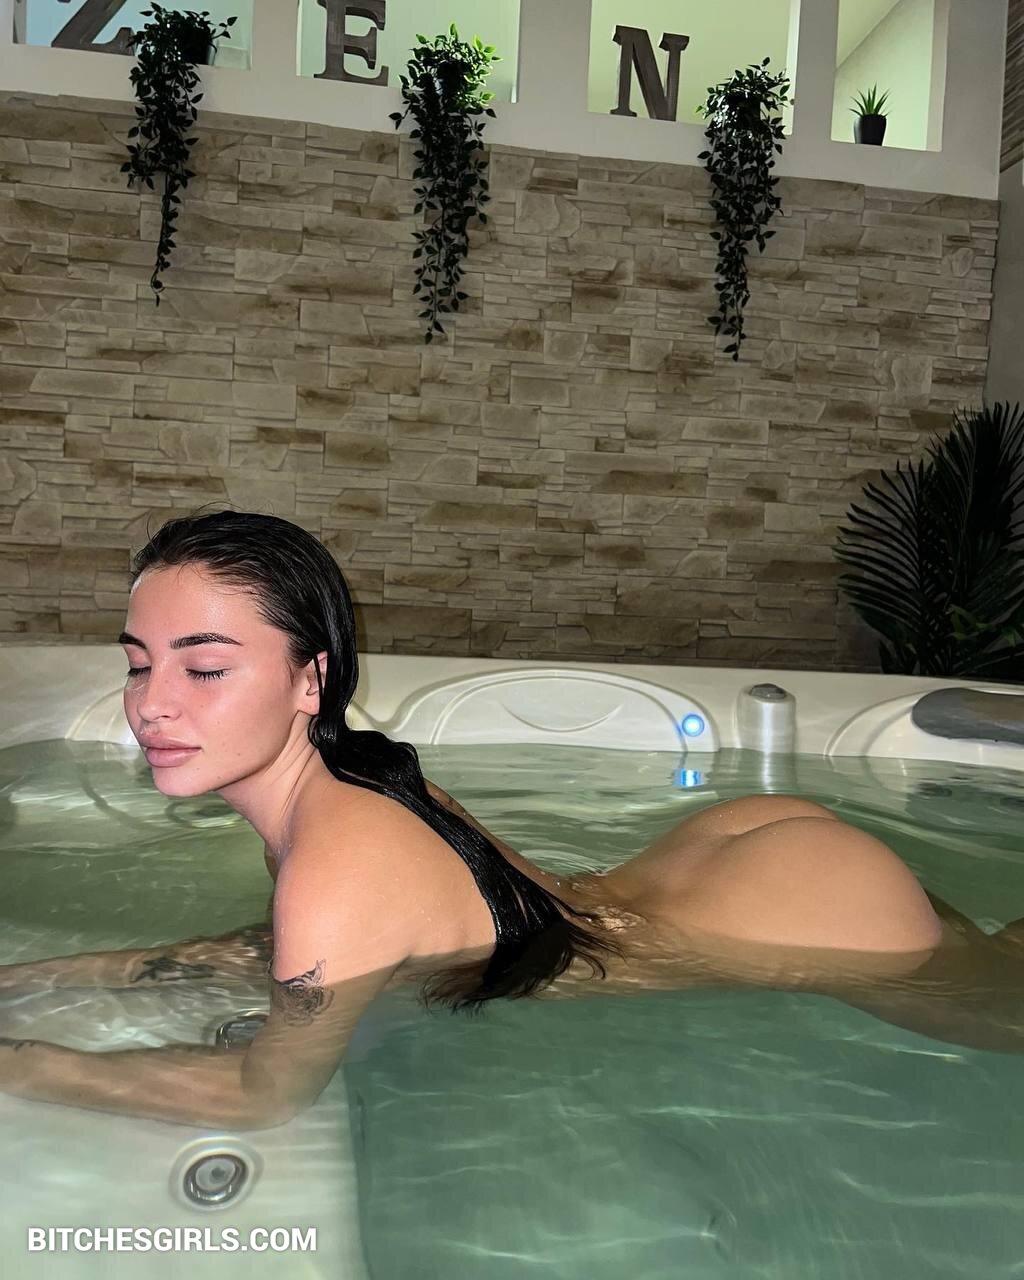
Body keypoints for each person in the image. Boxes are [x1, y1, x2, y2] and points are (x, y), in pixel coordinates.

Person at [1, 509, 1021, 1131]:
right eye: (138, 663)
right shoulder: (350, 779)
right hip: (725, 869)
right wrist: (39, 979)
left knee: (1002, 1015)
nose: (151, 704)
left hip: (791, 909)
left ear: (311, 678)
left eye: (205, 668)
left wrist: (23, 1063)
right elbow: (288, 952)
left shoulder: (334, 865)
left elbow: (261, 1093)